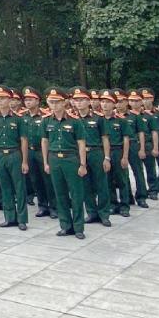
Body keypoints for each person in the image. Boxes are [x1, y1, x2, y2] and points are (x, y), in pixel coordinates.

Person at [43, 88, 88, 239]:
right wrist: (46, 162)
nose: (54, 105)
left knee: (76, 194)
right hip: (54, 159)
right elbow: (45, 142)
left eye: (57, 102)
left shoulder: (75, 121)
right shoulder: (47, 121)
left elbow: (81, 143)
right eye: (52, 102)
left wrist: (82, 164)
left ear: (64, 102)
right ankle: (65, 226)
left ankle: (78, 227)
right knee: (60, 194)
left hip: (71, 159)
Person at [0, 87, 29, 231]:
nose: (0, 101)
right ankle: (9, 217)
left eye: (3, 98)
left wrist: (24, 161)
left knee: (19, 187)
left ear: (10, 100)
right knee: (5, 187)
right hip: (0, 154)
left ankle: (22, 219)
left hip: (14, 154)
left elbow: (24, 140)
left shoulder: (18, 119)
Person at [72, 87, 112, 227]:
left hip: (96, 152)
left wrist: (107, 158)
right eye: (76, 100)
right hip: (79, 155)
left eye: (82, 100)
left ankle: (104, 214)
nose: (79, 103)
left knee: (101, 184)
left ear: (89, 101)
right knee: (85, 184)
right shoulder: (72, 119)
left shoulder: (98, 118)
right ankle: (91, 212)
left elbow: (105, 138)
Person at [22, 88, 56, 219]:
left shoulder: (45, 116)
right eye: (26, 100)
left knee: (48, 180)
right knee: (35, 180)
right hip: (30, 151)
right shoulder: (23, 117)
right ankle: (42, 206)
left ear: (37, 101)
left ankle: (54, 207)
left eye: (30, 99)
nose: (27, 102)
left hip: (43, 152)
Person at [101, 89, 131, 217]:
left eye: (108, 102)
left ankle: (124, 206)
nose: (105, 105)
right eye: (102, 102)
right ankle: (112, 204)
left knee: (122, 180)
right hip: (103, 153)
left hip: (118, 151)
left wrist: (125, 157)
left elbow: (126, 139)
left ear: (114, 104)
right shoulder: (98, 119)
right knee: (107, 180)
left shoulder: (121, 120)